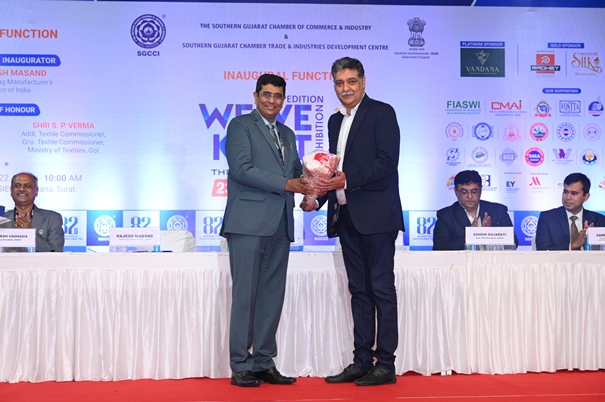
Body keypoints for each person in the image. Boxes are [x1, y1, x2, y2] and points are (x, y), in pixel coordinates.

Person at [301, 57, 403, 386]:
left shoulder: (382, 113)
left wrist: (346, 179)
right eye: (339, 83)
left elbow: (387, 163)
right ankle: (361, 361)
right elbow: (333, 174)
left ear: (363, 82)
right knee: (358, 291)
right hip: (346, 217)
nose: (345, 88)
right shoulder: (335, 122)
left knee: (381, 289)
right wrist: (316, 196)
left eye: (351, 81)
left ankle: (385, 364)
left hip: (378, 217)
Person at [219, 74, 312, 387]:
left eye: (278, 96)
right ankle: (240, 364)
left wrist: (313, 188)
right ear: (256, 96)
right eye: (267, 95)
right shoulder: (240, 126)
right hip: (247, 223)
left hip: (280, 223)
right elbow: (242, 169)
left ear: (284, 99)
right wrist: (287, 184)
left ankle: (263, 362)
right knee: (245, 296)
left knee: (272, 297)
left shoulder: (287, 133)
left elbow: (296, 172)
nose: (272, 100)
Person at [433, 170, 517, 250]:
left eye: (474, 191)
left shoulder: (498, 211)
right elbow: (439, 247)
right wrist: (471, 235)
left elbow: (514, 242)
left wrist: (488, 233)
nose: (470, 196)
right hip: (461, 260)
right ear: (456, 191)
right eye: (464, 192)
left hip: (493, 260)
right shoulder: (446, 215)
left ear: (480, 190)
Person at [535, 172, 605, 250]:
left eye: (574, 193)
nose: (568, 197)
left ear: (586, 197)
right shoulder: (547, 218)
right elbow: (542, 250)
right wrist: (573, 245)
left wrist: (590, 239)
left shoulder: (599, 220)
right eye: (565, 192)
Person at [0, 172, 64, 252]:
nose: (22, 189)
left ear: (36, 191)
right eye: (17, 186)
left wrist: (29, 233)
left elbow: (56, 251)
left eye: (27, 186)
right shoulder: (1, 219)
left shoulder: (52, 218)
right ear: (11, 191)